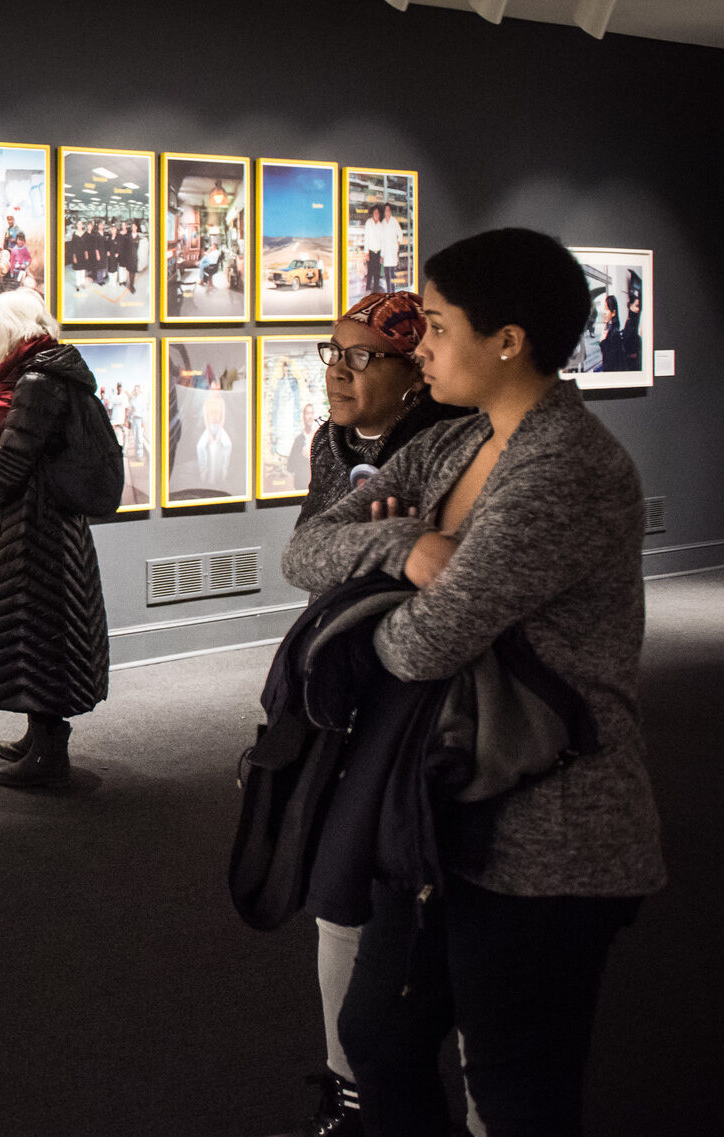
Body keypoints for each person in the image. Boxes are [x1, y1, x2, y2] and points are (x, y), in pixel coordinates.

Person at [282, 228, 664, 1136]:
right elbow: (306, 549)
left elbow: (421, 644)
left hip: (550, 837)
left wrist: (374, 602)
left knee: (516, 1088)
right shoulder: (457, 447)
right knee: (376, 1038)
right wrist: (405, 544)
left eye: (439, 325)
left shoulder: (562, 466)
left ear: (508, 340)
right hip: (442, 812)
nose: (421, 344)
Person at [282, 290, 474, 1135]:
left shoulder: (447, 447)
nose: (338, 370)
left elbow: (444, 585)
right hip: (346, 693)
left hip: (429, 711)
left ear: (412, 372)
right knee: (335, 896)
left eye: (362, 356)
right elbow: (310, 550)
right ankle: (342, 1088)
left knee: (447, 931)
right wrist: (381, 543)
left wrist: (380, 545)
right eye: (331, 351)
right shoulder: (330, 442)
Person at [0, 289, 111, 788]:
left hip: (38, 528)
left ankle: (48, 752)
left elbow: (16, 459)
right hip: (51, 523)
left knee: (39, 626)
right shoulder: (49, 373)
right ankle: (39, 732)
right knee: (45, 624)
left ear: (10, 331)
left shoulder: (36, 382)